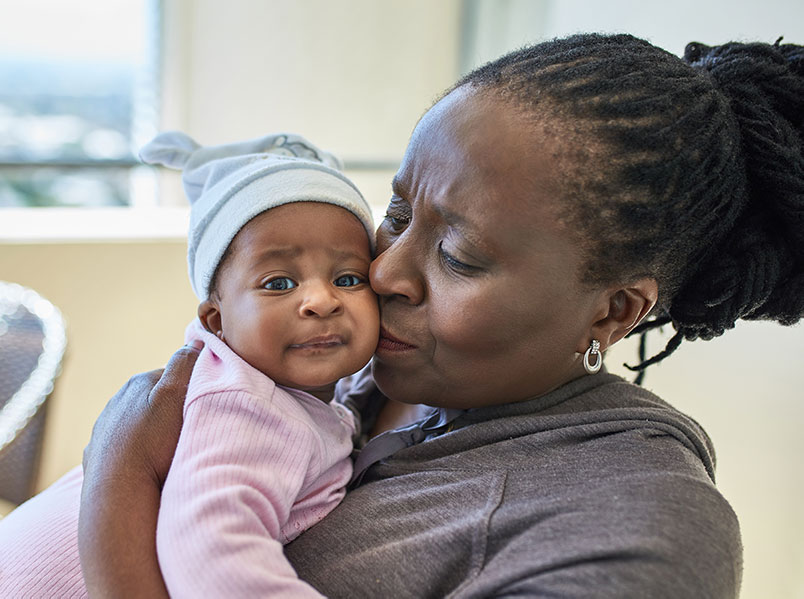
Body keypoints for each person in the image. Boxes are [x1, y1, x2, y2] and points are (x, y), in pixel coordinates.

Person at [78, 33, 803, 598]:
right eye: (397, 212)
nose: (385, 270)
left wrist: (122, 471)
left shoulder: (638, 534)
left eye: (457, 254)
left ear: (614, 311)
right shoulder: (382, 371)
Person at [0, 132, 380, 598]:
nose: (321, 301)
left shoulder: (274, 396)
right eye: (279, 282)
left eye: (347, 278)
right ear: (216, 320)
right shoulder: (249, 406)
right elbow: (213, 554)